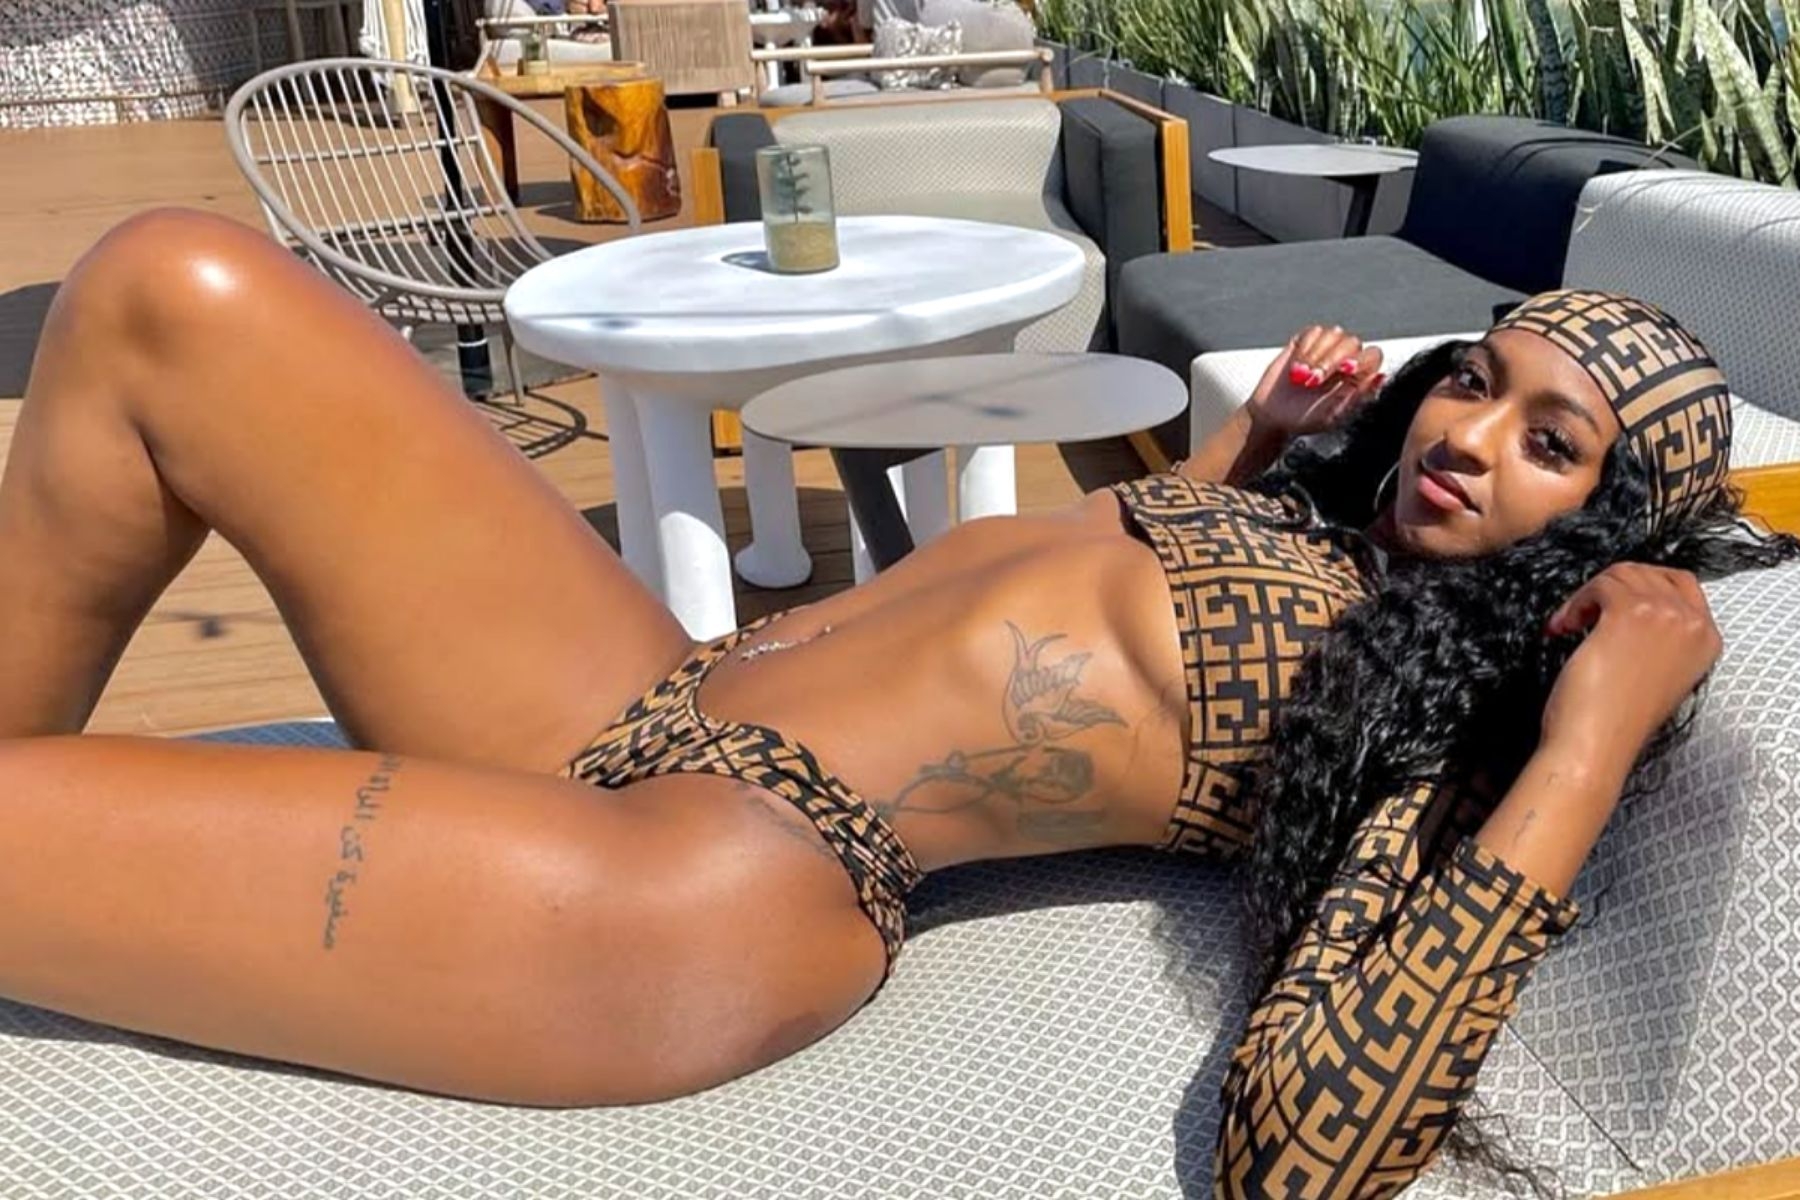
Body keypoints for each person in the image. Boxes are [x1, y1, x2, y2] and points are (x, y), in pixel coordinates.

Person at [1, 210, 1793, 1196]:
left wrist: (1588, 736)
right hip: (644, 692)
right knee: (174, 287)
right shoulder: (1319, 527)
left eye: (1551, 443)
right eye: (1476, 382)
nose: (1469, 434)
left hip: (696, 880)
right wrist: (1249, 454)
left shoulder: (1450, 720)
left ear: (1611, 531)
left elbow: (1301, 1156)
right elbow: (1106, 614)